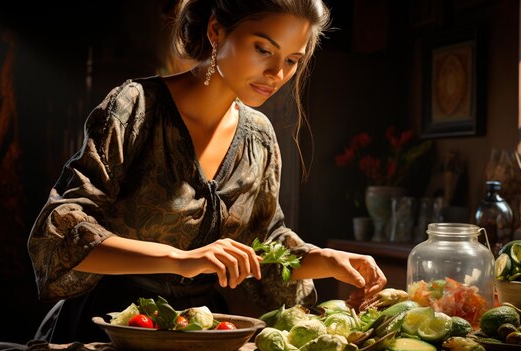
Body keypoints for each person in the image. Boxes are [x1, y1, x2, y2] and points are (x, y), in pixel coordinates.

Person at [28, 0, 387, 343]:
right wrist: (181, 260)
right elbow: (61, 232)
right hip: (110, 327)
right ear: (216, 31)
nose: (278, 74)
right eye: (263, 49)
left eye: (293, 59)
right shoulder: (136, 107)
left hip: (200, 330)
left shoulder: (258, 137)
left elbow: (264, 247)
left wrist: (325, 260)